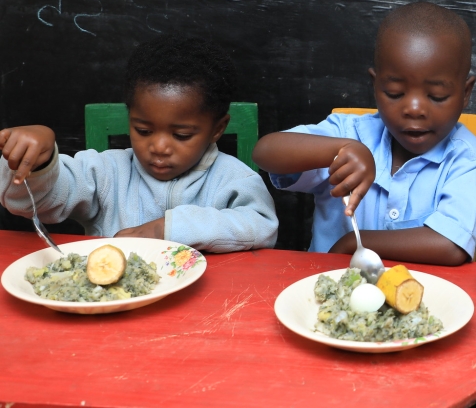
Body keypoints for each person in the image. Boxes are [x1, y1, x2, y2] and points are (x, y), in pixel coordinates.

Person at [253, 2, 476, 266]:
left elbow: (450, 246)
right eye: (395, 93)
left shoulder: (468, 157)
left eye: (437, 96)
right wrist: (341, 149)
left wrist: (352, 243)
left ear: (466, 93)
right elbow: (264, 152)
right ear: (375, 86)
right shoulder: (348, 131)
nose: (414, 109)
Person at [0, 37, 278, 252]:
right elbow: (37, 204)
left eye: (181, 135)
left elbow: (261, 227)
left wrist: (168, 228)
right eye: (143, 130)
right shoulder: (106, 172)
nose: (158, 147)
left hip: (206, 311)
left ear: (217, 129)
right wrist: (40, 164)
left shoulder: (233, 178)